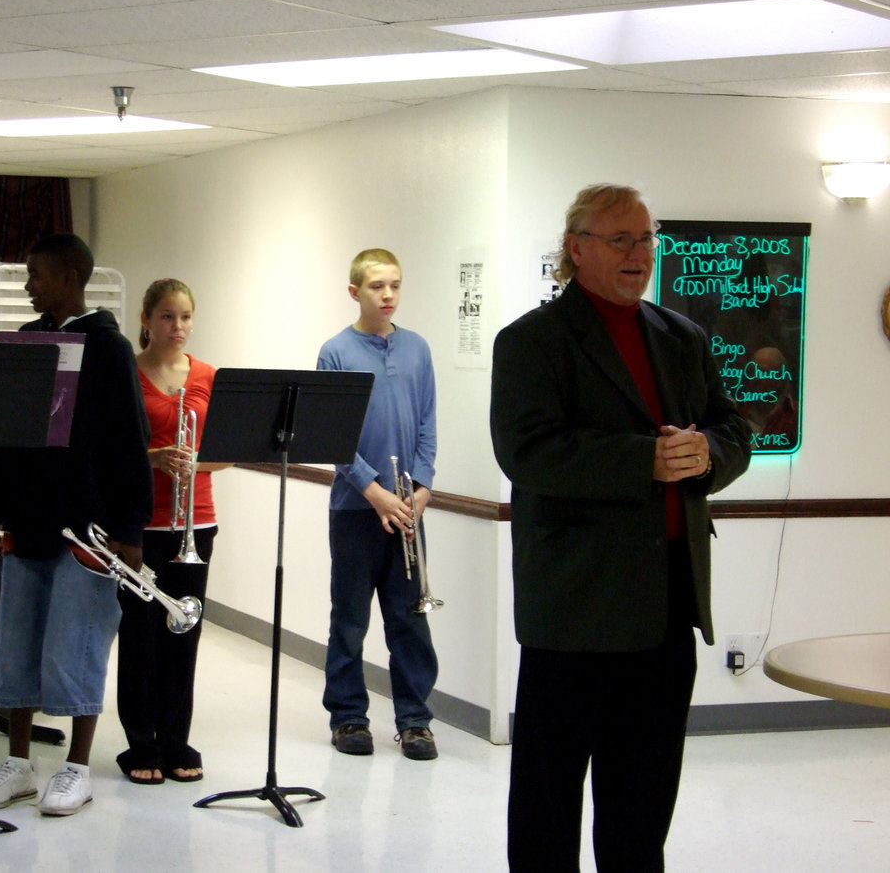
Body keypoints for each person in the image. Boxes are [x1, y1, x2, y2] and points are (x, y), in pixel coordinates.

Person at [490, 184, 752, 871]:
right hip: (575, 608)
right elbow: (527, 450)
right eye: (620, 240)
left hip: (667, 604)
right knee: (550, 799)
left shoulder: (682, 336)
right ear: (576, 249)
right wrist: (648, 460)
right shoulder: (531, 342)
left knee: (643, 800)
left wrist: (707, 457)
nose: (639, 254)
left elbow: (731, 427)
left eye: (646, 239)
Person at [0, 233, 152, 817]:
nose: (27, 286)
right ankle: (19, 763)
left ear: (70, 278)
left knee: (78, 643)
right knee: (17, 640)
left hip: (91, 528)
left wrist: (132, 529)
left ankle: (77, 768)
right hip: (29, 521)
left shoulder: (109, 348)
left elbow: (131, 442)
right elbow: (8, 437)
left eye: (36, 276)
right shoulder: (27, 342)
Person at [317, 248, 440, 761]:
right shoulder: (335, 351)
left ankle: (414, 721)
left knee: (410, 618)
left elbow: (428, 424)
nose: (387, 295)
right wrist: (373, 491)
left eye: (394, 285)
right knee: (349, 619)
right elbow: (333, 437)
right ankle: (348, 718)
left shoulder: (417, 349)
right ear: (355, 292)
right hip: (355, 509)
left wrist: (424, 486)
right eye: (376, 287)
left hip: (407, 508)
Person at [116, 278, 228, 785]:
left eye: (185, 317)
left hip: (195, 521)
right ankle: (140, 743)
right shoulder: (127, 375)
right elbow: (109, 451)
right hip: (140, 521)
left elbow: (229, 449)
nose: (177, 326)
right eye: (166, 316)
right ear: (145, 320)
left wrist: (195, 464)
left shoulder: (207, 375)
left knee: (184, 632)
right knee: (139, 635)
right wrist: (153, 458)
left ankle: (177, 740)